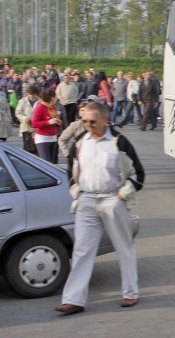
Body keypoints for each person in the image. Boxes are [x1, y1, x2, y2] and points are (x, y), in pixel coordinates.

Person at [55, 102, 145, 315]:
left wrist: (121, 195)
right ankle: (73, 300)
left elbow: (138, 174)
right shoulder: (80, 142)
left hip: (112, 200)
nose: (88, 125)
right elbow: (71, 172)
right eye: (85, 121)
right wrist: (77, 192)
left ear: (106, 119)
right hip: (86, 201)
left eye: (92, 121)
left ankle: (130, 293)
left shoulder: (118, 142)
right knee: (82, 250)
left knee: (124, 247)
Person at [30, 89, 62, 163]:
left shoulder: (52, 107)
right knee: (46, 162)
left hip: (53, 137)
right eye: (55, 96)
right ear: (52, 98)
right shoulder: (40, 107)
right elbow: (34, 123)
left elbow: (58, 120)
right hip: (42, 138)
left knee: (52, 162)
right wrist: (48, 122)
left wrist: (58, 122)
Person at [15, 85, 40, 153]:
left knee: (36, 149)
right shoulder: (23, 101)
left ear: (36, 94)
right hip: (26, 127)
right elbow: (18, 112)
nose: (31, 96)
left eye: (33, 94)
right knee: (27, 148)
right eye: (30, 94)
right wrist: (24, 118)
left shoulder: (40, 102)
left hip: (37, 128)